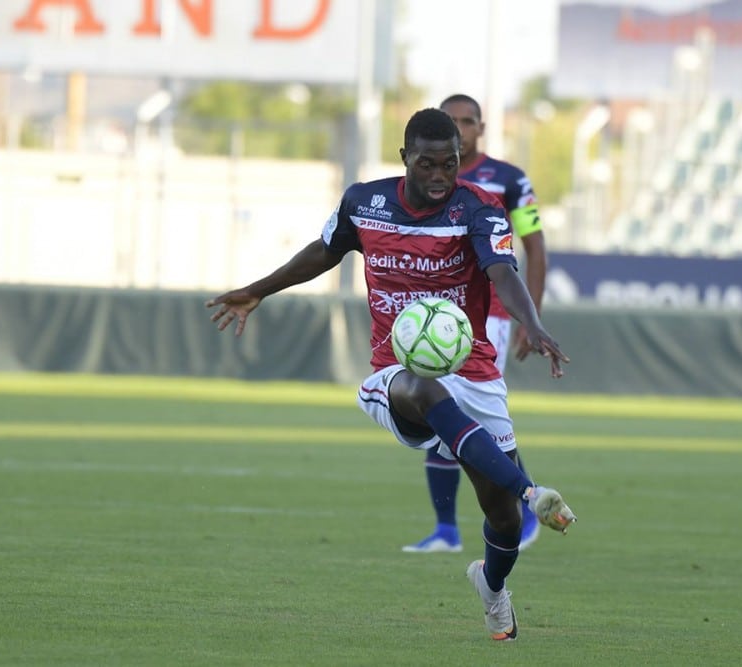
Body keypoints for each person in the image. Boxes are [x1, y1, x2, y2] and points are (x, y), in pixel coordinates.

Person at [206, 108, 576, 640]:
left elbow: (501, 271)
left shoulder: (480, 210)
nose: (438, 176)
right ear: (405, 157)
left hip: (473, 375)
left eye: (449, 165)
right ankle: (529, 488)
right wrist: (258, 289)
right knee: (422, 389)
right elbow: (324, 251)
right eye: (426, 164)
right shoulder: (365, 202)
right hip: (394, 375)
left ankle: (493, 587)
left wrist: (533, 324)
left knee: (502, 522)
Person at [402, 93, 548, 554]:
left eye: (468, 122)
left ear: (480, 130)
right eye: (452, 121)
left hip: (490, 316)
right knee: (436, 409)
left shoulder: (508, 181)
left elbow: (534, 245)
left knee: (476, 416)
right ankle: (446, 529)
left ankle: (523, 509)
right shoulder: (421, 184)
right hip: (429, 312)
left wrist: (532, 317)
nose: (460, 128)